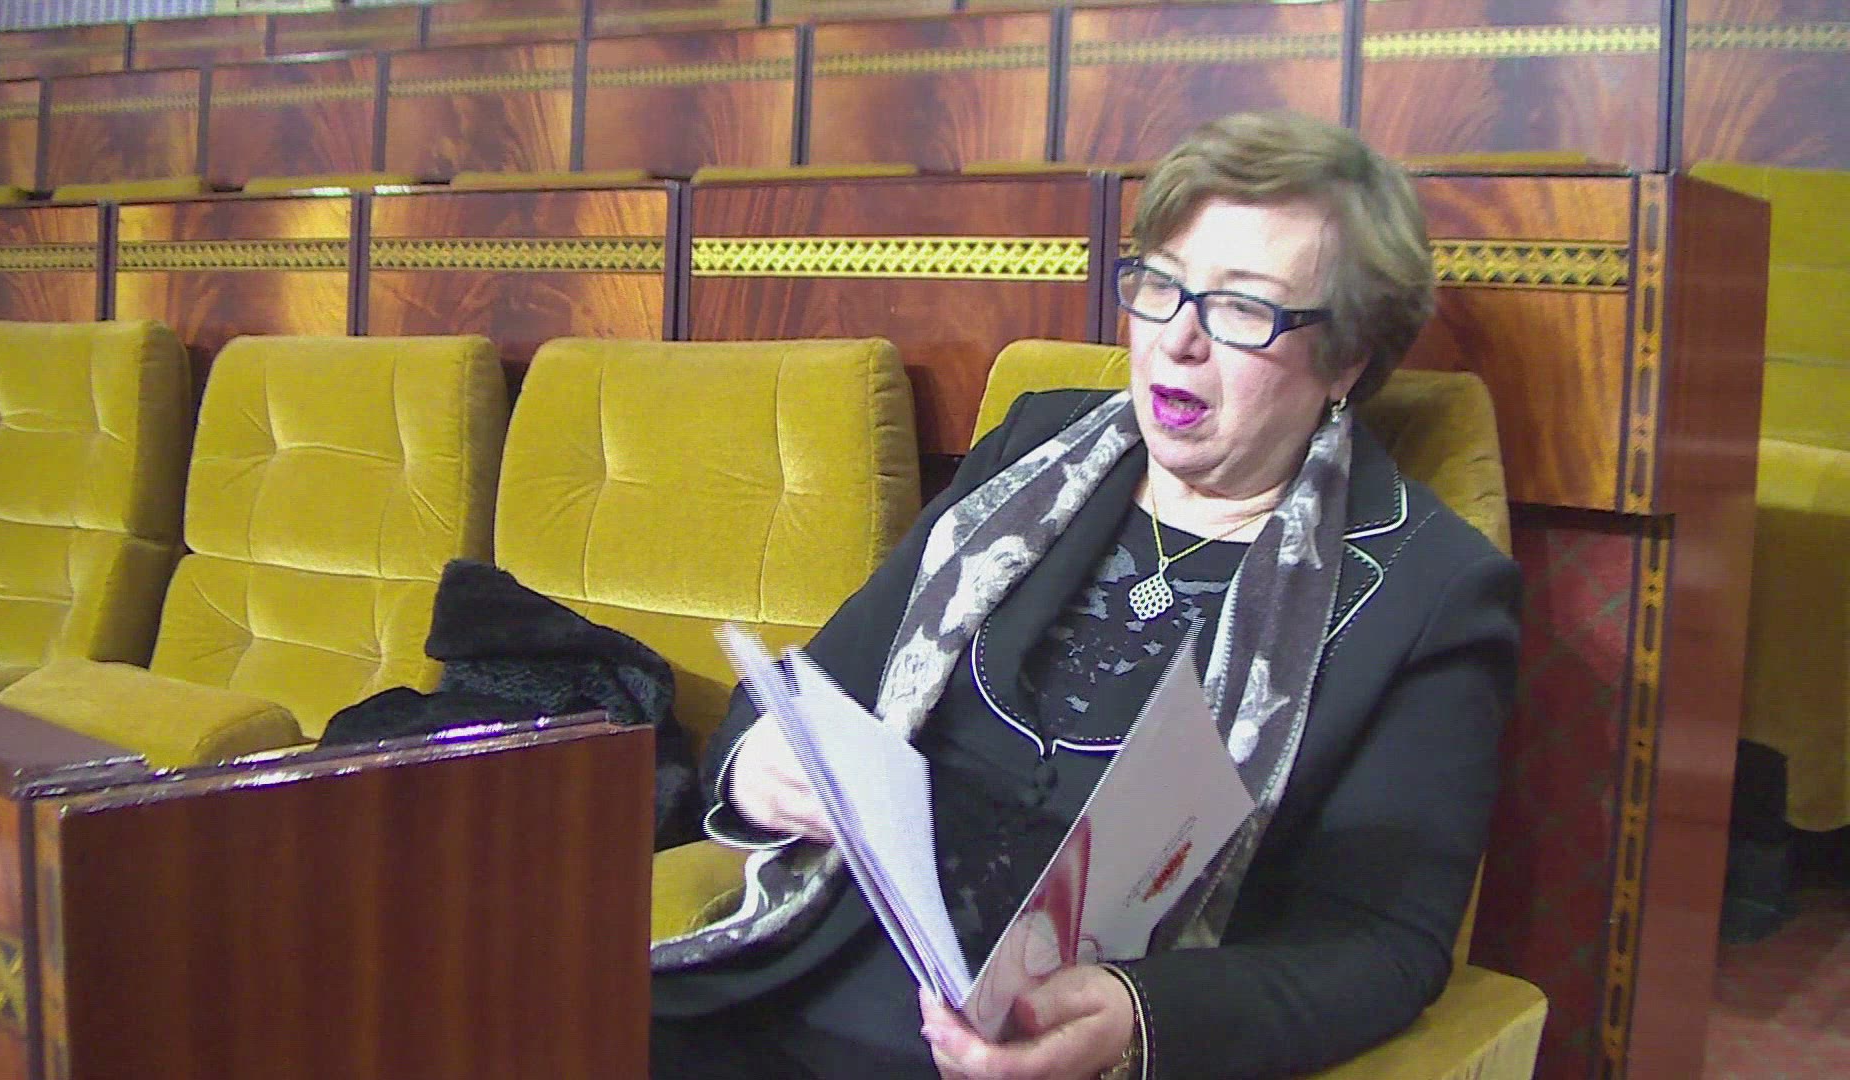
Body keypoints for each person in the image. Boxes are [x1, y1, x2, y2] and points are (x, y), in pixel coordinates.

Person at [649, 109, 1520, 1080]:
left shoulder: (1430, 592)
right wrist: (760, 763)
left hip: (1051, 1049)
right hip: (809, 975)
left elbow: (1383, 946)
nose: (1178, 341)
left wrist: (1138, 1016)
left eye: (1243, 309)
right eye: (1163, 285)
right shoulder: (1031, 450)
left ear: (1346, 359)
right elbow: (811, 695)